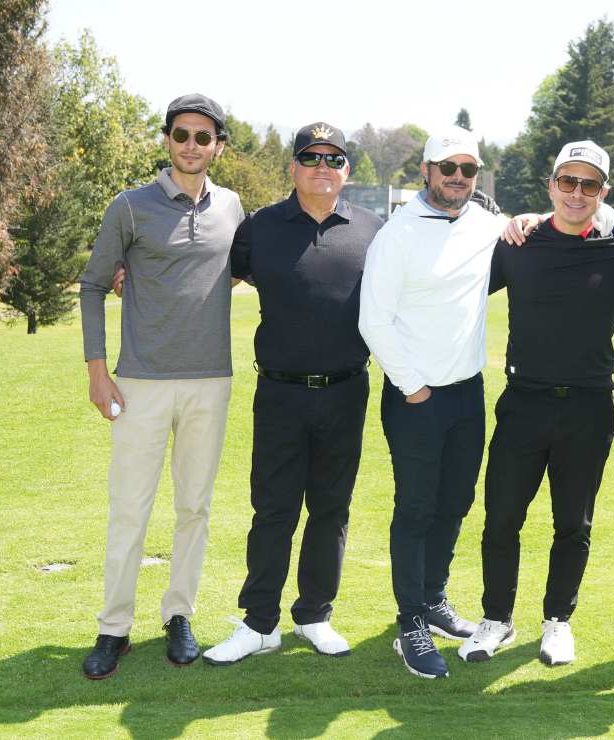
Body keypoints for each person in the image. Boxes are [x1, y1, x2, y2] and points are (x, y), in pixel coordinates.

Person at [199, 123, 385, 665]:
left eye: (333, 158)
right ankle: (260, 623)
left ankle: (314, 614)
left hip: (347, 391)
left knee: (331, 508)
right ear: (293, 167)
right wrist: (130, 268)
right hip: (279, 394)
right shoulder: (260, 227)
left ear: (347, 169)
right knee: (273, 509)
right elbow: (201, 272)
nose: (322, 167)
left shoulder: (374, 229)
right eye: (311, 157)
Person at [77, 94, 244, 680]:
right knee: (130, 509)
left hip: (210, 381)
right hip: (140, 383)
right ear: (167, 140)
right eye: (181, 135)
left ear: (218, 145)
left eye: (203, 137)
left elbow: (245, 264)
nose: (191, 146)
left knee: (194, 507)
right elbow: (95, 284)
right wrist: (98, 371)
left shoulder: (232, 206)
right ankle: (113, 628)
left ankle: (179, 615)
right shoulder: (129, 206)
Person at [458, 141, 614, 667]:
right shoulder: (516, 242)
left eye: (589, 185)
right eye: (568, 182)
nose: (577, 193)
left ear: (603, 192)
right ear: (551, 185)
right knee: (502, 517)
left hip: (588, 406)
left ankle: (557, 622)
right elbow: (453, 287)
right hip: (524, 402)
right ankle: (496, 620)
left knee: (572, 523)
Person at [358, 127, 510, 679]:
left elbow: (544, 224)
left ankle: (434, 597)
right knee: (417, 508)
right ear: (425, 171)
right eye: (447, 168)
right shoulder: (396, 235)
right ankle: (410, 623)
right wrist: (413, 386)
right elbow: (373, 320)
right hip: (415, 397)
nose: (457, 178)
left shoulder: (485, 223)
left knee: (456, 503)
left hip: (468, 394)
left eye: (468, 170)